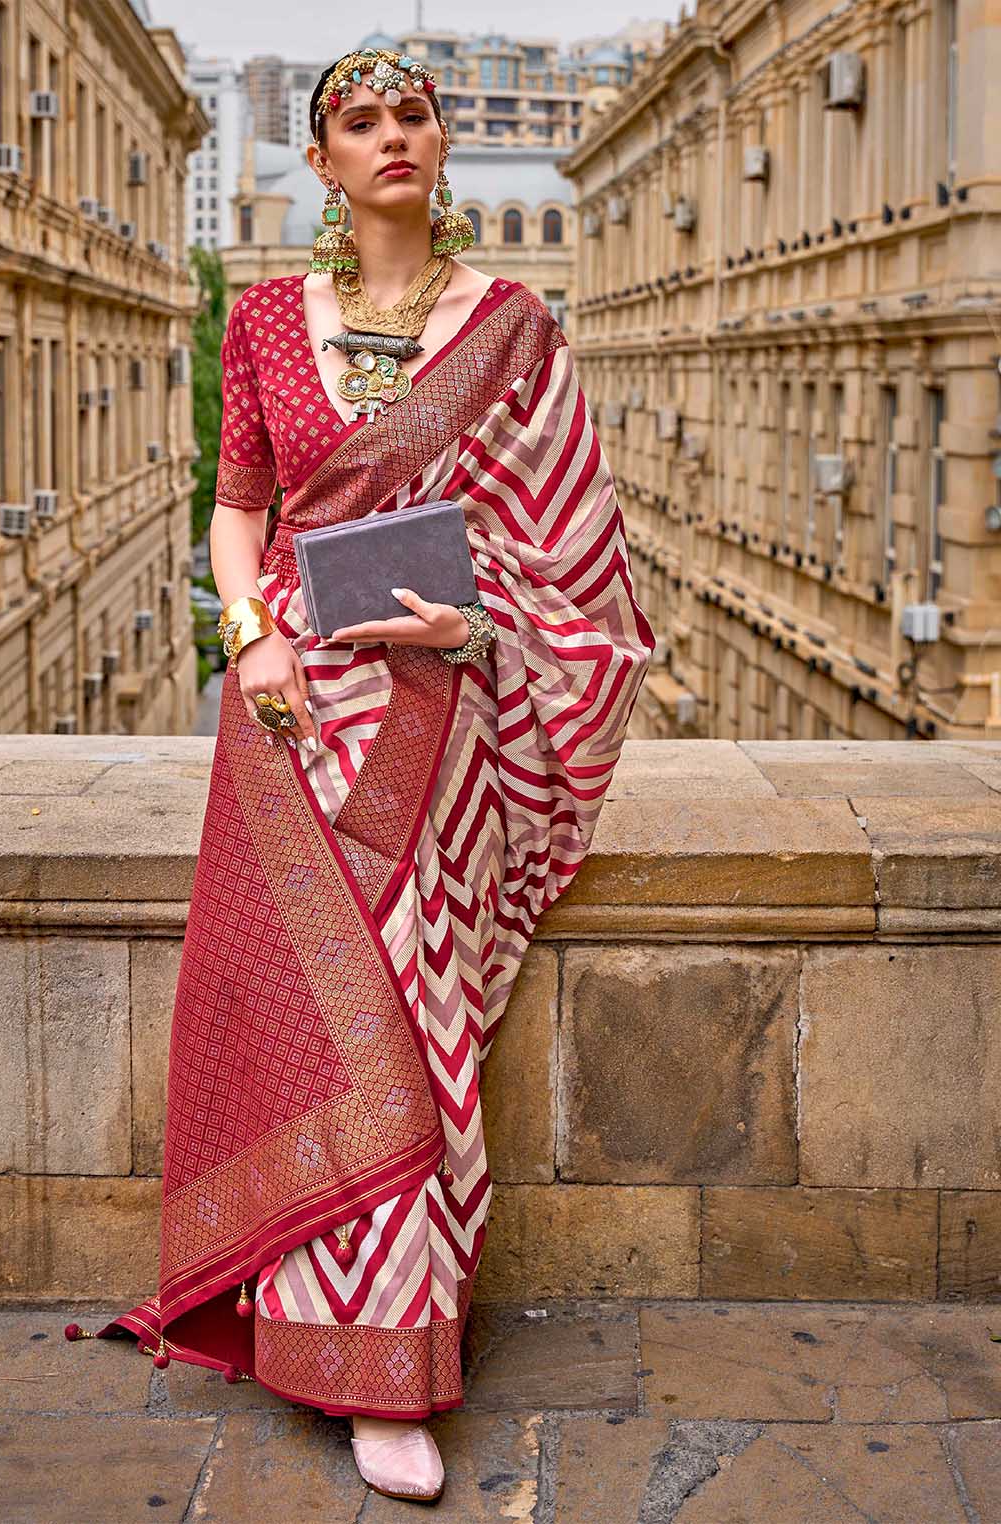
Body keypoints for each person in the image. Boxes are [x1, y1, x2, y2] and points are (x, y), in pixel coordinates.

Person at [64, 43, 656, 1504]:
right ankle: (312, 1332)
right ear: (319, 162)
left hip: (439, 729)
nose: (393, 134)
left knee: (418, 1024)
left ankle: (398, 1355)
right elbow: (237, 511)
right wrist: (252, 639)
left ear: (444, 145)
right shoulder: (267, 320)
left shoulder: (514, 328)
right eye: (357, 121)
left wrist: (480, 624)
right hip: (289, 727)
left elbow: (578, 550)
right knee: (312, 1023)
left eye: (414, 113)